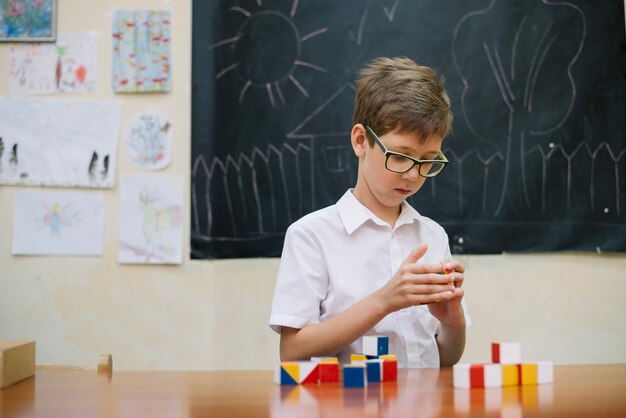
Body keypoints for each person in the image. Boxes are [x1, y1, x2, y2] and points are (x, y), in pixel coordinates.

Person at [269, 57, 470, 368]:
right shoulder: (311, 235)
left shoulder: (431, 235)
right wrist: (384, 301)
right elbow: (292, 351)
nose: (413, 175)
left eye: (428, 160)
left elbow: (446, 358)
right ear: (361, 141)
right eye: (401, 157)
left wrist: (453, 322)